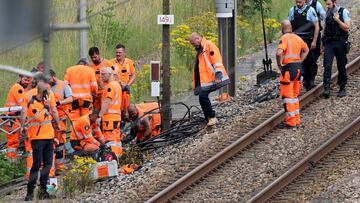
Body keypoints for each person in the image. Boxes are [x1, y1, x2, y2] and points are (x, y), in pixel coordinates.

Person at [21, 73, 61, 201]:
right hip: (37, 136)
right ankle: (30, 192)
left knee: (47, 164)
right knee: (38, 164)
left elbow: (54, 111)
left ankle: (43, 191)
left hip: (48, 135)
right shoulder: (31, 97)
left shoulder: (48, 95)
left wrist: (57, 124)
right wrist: (47, 106)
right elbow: (39, 116)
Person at [188, 32, 230, 126]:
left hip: (213, 78)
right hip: (206, 80)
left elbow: (216, 59)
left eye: (193, 43)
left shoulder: (208, 45)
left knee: (203, 96)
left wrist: (218, 74)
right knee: (202, 98)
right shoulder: (201, 49)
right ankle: (208, 118)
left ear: (198, 38)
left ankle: (212, 117)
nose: (192, 45)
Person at [276, 20, 309, 129]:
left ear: (282, 28)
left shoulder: (284, 38)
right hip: (298, 69)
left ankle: (291, 123)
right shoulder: (297, 37)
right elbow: (306, 49)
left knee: (288, 97)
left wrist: (279, 64)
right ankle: (296, 120)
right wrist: (300, 60)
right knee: (294, 96)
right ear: (291, 27)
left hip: (288, 70)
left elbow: (279, 53)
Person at [322, 0, 351, 98]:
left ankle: (342, 87)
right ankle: (326, 87)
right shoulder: (327, 13)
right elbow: (325, 28)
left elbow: (347, 28)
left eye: (329, 4)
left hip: (340, 42)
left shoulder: (343, 11)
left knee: (341, 65)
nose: (327, 6)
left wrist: (338, 20)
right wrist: (322, 44)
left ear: (334, 3)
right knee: (327, 64)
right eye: (326, 4)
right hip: (329, 42)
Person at [289, 0, 320, 91]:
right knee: (299, 62)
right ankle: (303, 80)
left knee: (310, 61)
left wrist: (314, 41)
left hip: (308, 40)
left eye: (300, 2)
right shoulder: (292, 10)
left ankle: (311, 80)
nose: (298, 4)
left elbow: (316, 26)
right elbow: (289, 25)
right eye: (297, 2)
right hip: (297, 40)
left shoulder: (310, 10)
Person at [49, 69, 73, 174]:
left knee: (60, 144)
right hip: (49, 120)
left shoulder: (64, 85)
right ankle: (51, 168)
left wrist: (59, 102)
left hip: (61, 119)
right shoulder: (47, 87)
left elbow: (71, 98)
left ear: (54, 76)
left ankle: (59, 167)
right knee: (50, 143)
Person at [96, 67, 123, 158]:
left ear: (110, 74)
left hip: (109, 118)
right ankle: (118, 159)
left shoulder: (110, 86)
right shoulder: (117, 85)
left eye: (103, 74)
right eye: (101, 74)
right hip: (116, 117)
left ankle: (111, 161)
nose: (101, 76)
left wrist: (100, 116)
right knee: (116, 140)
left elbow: (107, 102)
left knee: (110, 141)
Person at [4, 74, 30, 162]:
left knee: (13, 142)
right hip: (11, 118)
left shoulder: (19, 88)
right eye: (25, 80)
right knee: (13, 142)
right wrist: (25, 123)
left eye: (28, 80)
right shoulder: (18, 88)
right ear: (20, 78)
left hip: (11, 118)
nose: (27, 82)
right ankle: (11, 164)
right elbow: (23, 108)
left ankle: (12, 163)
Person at [110, 44, 136, 119]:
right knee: (116, 110)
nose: (118, 54)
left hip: (125, 91)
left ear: (124, 53)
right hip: (116, 91)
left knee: (126, 112)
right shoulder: (111, 63)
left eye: (120, 52)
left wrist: (128, 85)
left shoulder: (130, 62)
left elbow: (133, 75)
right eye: (116, 52)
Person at [306, 0, 326, 66]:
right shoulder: (300, 4)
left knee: (316, 53)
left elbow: (325, 17)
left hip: (315, 33)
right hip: (304, 35)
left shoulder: (317, 4)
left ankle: (312, 71)